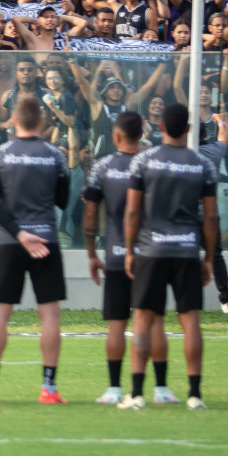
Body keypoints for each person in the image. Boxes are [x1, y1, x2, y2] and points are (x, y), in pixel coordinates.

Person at [0, 96, 71, 406]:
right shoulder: (56, 156)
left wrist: (19, 233)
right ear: (41, 122)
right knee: (50, 314)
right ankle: (49, 389)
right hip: (46, 240)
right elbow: (62, 201)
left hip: (9, 242)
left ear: (14, 121)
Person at [123, 103, 217, 411]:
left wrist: (129, 249)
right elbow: (211, 218)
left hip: (151, 249)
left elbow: (133, 211)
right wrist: (209, 259)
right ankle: (195, 394)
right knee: (190, 320)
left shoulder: (144, 161)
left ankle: (136, 394)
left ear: (160, 127)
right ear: (189, 129)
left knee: (143, 319)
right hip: (187, 250)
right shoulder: (201, 164)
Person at [83, 110, 150, 405]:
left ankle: (113, 389)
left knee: (116, 323)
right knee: (150, 322)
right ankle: (159, 388)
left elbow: (89, 215)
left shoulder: (102, 167)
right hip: (148, 255)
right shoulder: (152, 164)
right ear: (142, 133)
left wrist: (91, 254)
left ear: (116, 135)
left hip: (114, 254)